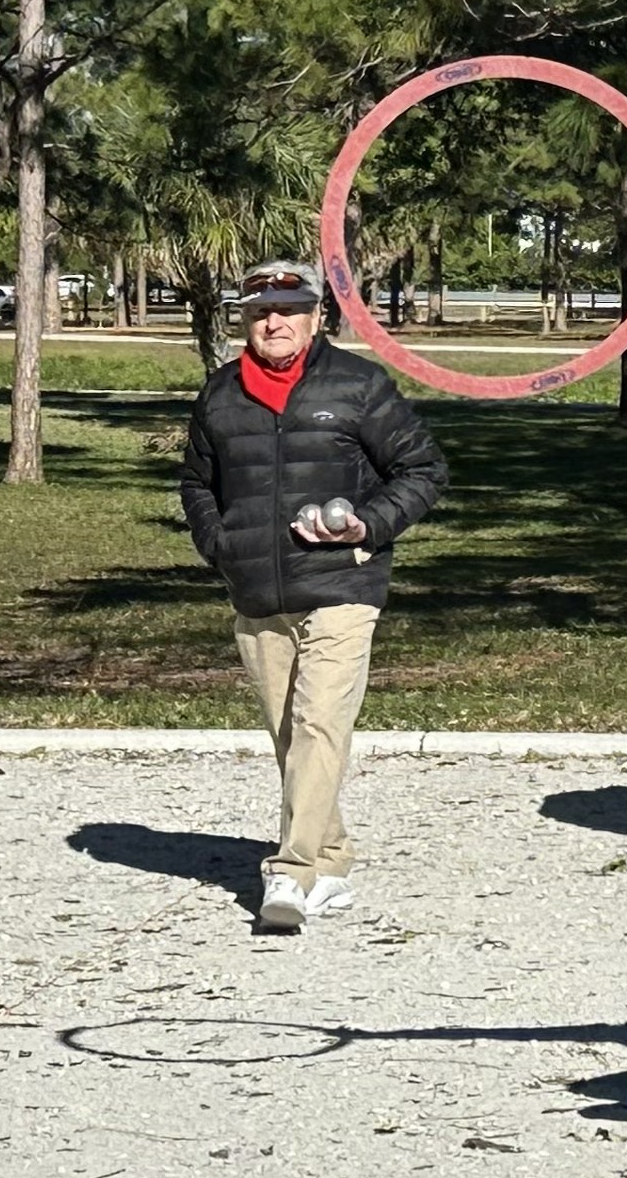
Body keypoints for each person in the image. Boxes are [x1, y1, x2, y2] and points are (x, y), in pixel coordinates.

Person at [173, 260, 447, 930]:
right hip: (258, 593)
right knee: (292, 737)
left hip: (342, 585)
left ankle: (290, 874)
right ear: (245, 318)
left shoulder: (357, 384)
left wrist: (368, 525)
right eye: (262, 311)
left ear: (317, 316)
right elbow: (198, 483)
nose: (275, 322)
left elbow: (422, 468)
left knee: (321, 722)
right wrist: (219, 543)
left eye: (291, 309)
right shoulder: (220, 394)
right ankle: (331, 858)